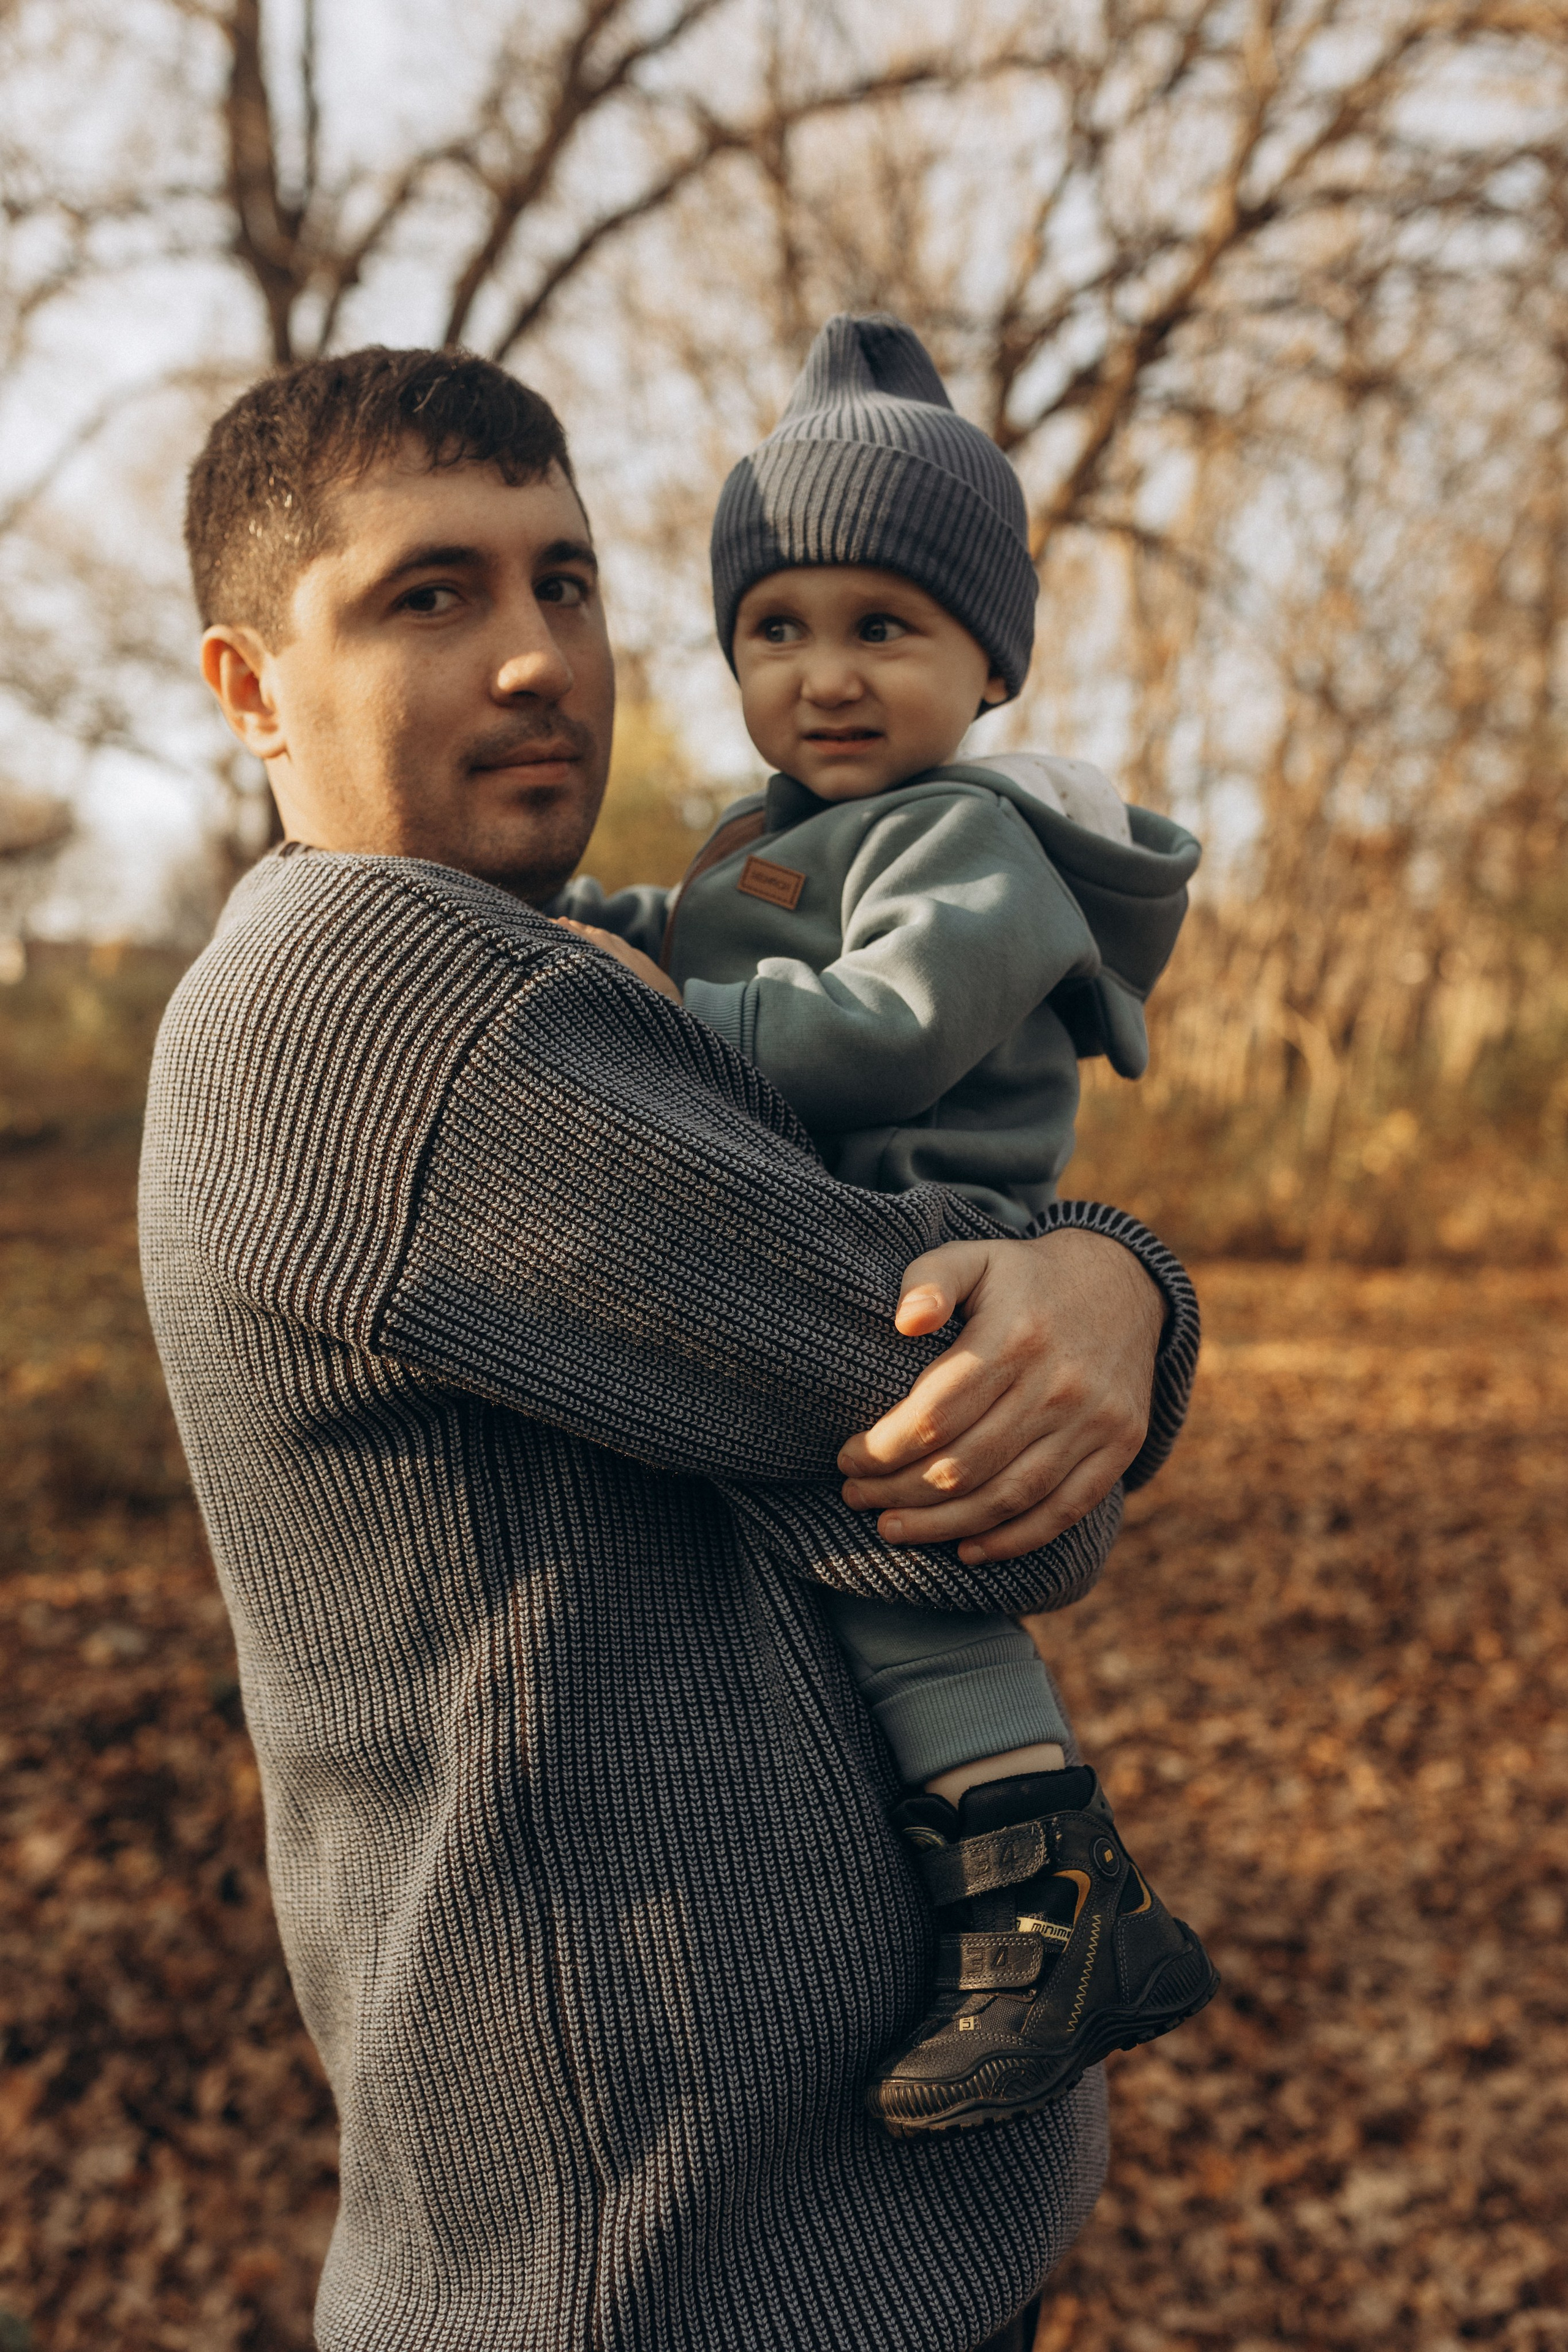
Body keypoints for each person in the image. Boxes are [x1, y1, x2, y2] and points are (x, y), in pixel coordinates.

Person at [143, 342, 1199, 2352]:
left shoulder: (538, 971)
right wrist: (1097, 1268)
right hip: (671, 2270)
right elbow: (998, 1495)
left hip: (819, 2223)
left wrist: (1109, 1277)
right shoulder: (374, 996)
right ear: (251, 688)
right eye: (430, 596)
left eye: (568, 582)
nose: (543, 660)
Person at [551, 313, 1217, 2138]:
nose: (823, 677)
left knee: (902, 1554)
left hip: (942, 1229)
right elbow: (685, 932)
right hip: (838, 1226)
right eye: (777, 630)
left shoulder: (973, 845)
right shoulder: (770, 839)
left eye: (883, 629)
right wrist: (569, 933)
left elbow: (878, 1032)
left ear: (989, 664)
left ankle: (1055, 1891)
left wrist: (650, 1018)